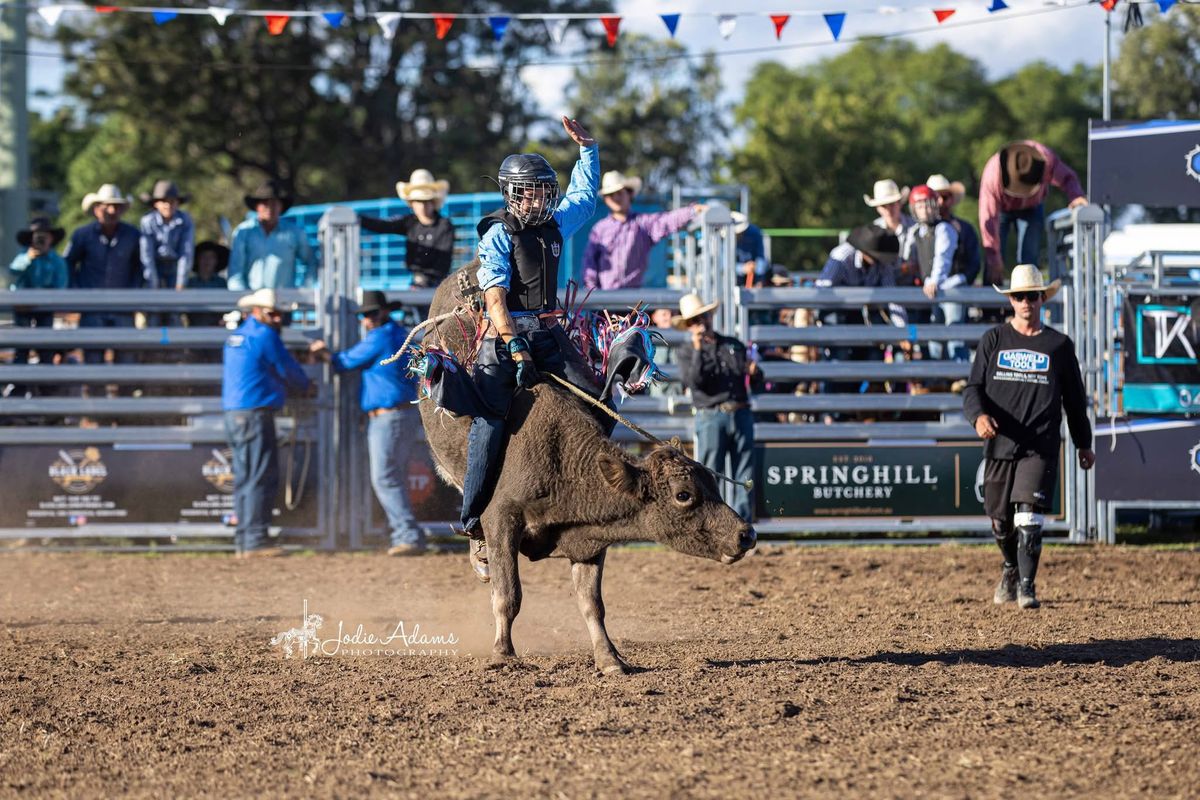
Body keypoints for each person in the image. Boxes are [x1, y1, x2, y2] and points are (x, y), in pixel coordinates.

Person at [461, 115, 601, 582]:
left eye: (545, 190)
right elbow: (495, 298)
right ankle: (474, 522)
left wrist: (589, 150)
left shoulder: (557, 223)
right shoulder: (498, 233)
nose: (540, 198)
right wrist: (516, 350)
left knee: (593, 402)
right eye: (531, 191)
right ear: (512, 194)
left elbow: (585, 195)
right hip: (506, 340)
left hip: (548, 332)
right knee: (491, 422)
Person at [962, 264, 1095, 609]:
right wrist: (978, 417)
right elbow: (973, 388)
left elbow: (1075, 401)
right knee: (1000, 520)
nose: (1026, 302)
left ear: (1042, 299)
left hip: (1040, 444)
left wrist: (1084, 443)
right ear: (1011, 300)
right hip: (1000, 442)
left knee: (1028, 515)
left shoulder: (1059, 345)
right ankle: (1009, 566)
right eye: (1019, 296)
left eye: (1032, 296)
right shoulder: (993, 340)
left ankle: (1027, 586)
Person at [310, 291, 426, 556]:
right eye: (364, 315)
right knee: (394, 475)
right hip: (401, 414)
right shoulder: (399, 334)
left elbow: (345, 362)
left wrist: (323, 352)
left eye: (371, 314)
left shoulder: (381, 337)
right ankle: (403, 532)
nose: (366, 319)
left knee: (384, 477)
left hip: (388, 416)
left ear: (384, 312)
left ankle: (406, 533)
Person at [222, 288, 313, 557]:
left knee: (245, 477)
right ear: (258, 312)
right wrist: (306, 386)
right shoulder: (264, 336)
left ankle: (244, 539)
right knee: (259, 476)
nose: (277, 320)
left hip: (235, 413)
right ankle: (255, 540)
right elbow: (288, 370)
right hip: (255, 413)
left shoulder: (237, 337)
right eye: (273, 314)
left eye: (279, 315)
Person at [674, 293, 762, 522]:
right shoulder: (685, 352)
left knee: (745, 474)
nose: (701, 323)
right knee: (711, 475)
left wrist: (755, 372)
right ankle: (715, 525)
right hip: (711, 415)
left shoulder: (733, 345)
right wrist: (698, 350)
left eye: (702, 317)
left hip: (740, 411)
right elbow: (694, 382)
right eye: (695, 320)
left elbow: (755, 381)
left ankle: (743, 526)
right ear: (689, 326)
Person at [64, 184, 144, 386]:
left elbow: (140, 267)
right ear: (96, 208)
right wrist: (76, 292)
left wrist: (134, 294)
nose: (111, 211)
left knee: (126, 361)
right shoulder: (82, 235)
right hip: (92, 307)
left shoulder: (132, 235)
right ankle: (94, 412)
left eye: (116, 206)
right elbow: (68, 263)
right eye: (107, 206)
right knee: (93, 361)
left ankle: (124, 414)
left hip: (122, 307)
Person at [978, 140, 1088, 285]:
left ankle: (1026, 302)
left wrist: (1076, 196)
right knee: (994, 261)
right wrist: (994, 257)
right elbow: (988, 217)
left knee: (1028, 260)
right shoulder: (993, 173)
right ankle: (990, 304)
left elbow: (1067, 177)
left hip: (1032, 208)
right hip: (1002, 209)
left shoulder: (1044, 160)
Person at [582, 171, 700, 290]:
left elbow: (666, 221)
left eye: (619, 193)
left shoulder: (643, 224)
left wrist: (692, 211)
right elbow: (590, 263)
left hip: (633, 300)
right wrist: (593, 296)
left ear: (630, 194)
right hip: (604, 300)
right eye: (611, 194)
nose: (616, 198)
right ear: (606, 199)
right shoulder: (599, 229)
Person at [359, 169, 456, 289]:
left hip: (438, 285)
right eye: (418, 201)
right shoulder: (410, 222)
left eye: (426, 201)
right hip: (416, 283)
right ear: (412, 203)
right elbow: (382, 225)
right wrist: (357, 219)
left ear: (433, 202)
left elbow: (442, 263)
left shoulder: (444, 225)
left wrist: (427, 280)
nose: (422, 206)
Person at [8, 217, 68, 389]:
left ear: (51, 238)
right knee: (21, 351)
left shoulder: (56, 261)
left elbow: (61, 286)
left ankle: (44, 393)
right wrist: (28, 258)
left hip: (45, 310)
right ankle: (18, 393)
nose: (41, 240)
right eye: (38, 236)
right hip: (23, 310)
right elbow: (12, 273)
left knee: (45, 351)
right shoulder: (23, 257)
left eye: (44, 236)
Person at [227, 180, 316, 291]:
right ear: (257, 206)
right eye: (265, 203)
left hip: (284, 302)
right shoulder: (243, 232)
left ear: (281, 207)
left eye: (274, 203)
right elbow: (235, 272)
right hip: (252, 301)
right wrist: (244, 300)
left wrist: (303, 292)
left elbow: (310, 262)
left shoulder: (294, 233)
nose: (270, 207)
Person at [138, 180, 195, 291]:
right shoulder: (147, 221)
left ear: (177, 203)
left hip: (176, 267)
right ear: (156, 204)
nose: (168, 205)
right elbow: (147, 255)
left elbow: (186, 253)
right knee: (151, 301)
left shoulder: (185, 220)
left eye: (172, 201)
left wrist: (181, 283)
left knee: (177, 303)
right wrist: (152, 284)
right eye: (163, 201)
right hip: (154, 266)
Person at [184, 242, 230, 331]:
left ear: (216, 261)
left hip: (217, 328)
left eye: (211, 257)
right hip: (193, 329)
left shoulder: (221, 283)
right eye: (203, 257)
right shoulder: (190, 283)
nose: (207, 261)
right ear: (197, 260)